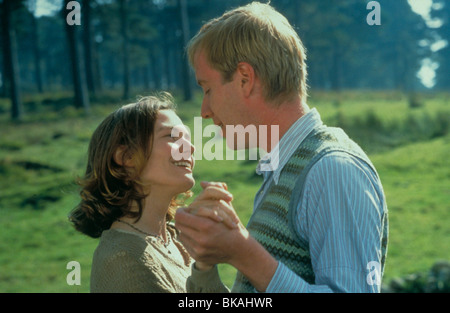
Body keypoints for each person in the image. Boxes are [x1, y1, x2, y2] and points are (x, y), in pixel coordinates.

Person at [175, 2, 389, 293]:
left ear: (245, 79)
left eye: (207, 89)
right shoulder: (283, 170)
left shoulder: (332, 169)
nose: (204, 110)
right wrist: (206, 262)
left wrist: (244, 253)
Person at [69, 93, 231, 292]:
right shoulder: (122, 261)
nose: (190, 148)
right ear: (127, 157)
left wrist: (205, 263)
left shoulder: (178, 240)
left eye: (188, 139)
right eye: (171, 136)